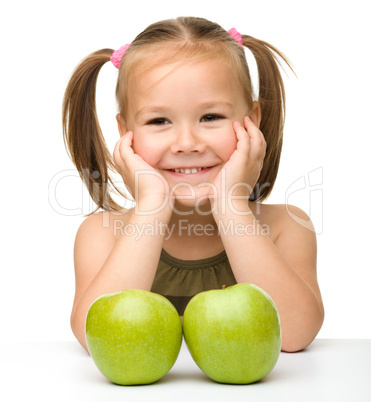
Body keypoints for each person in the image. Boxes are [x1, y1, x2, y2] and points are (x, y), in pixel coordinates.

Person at [62, 16, 324, 353]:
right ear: (126, 132)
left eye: (210, 117)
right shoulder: (103, 233)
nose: (187, 143)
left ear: (252, 122)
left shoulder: (286, 226)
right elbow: (94, 337)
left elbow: (294, 335)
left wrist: (232, 207)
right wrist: (150, 207)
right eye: (159, 121)